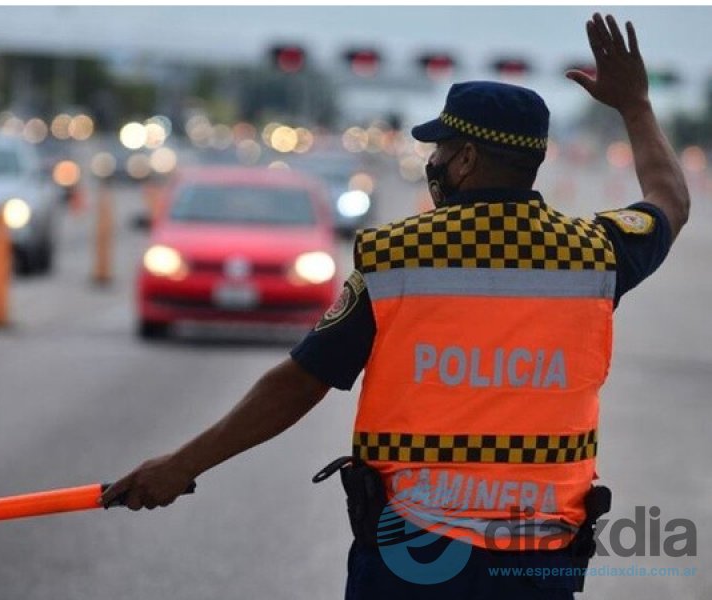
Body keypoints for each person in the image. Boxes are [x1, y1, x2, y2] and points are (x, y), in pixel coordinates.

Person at [101, 13, 689, 599]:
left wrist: (184, 464)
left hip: (416, 554)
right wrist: (635, 106)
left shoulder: (398, 257)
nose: (431, 163)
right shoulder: (595, 255)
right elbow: (669, 199)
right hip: (537, 558)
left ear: (465, 161)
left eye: (440, 149)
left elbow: (300, 383)